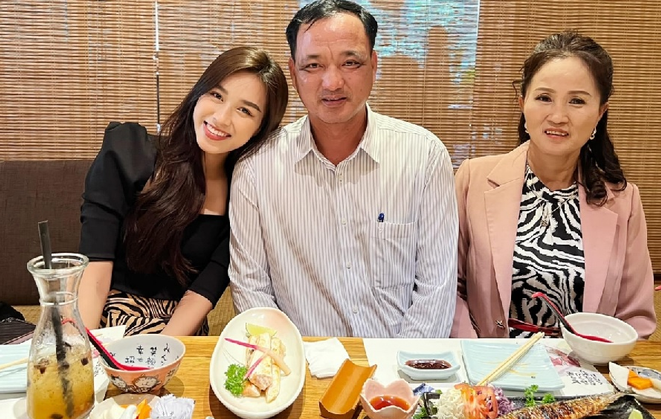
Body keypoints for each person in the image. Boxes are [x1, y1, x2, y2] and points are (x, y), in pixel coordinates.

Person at [228, 0, 458, 338]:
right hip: (301, 362)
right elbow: (251, 290)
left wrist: (399, 366)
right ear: (294, 73)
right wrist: (288, 362)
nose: (332, 82)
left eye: (350, 63)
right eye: (313, 65)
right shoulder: (256, 169)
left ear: (373, 66)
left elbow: (436, 288)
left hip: (398, 362)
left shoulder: (423, 156)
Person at [451, 31, 656, 339]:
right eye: (544, 98)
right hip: (489, 360)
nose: (558, 116)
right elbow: (448, 288)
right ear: (523, 103)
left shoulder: (624, 200)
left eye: (577, 101)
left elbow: (635, 318)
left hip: (585, 364)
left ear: (600, 112)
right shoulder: (473, 179)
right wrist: (478, 355)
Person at [78, 47, 289, 336]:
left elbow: (202, 293)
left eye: (244, 110)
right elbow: (95, 271)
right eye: (216, 95)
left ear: (260, 128)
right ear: (198, 94)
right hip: (108, 315)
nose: (221, 118)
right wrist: (83, 349)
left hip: (180, 330)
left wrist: (163, 350)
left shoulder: (246, 194)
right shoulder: (128, 153)